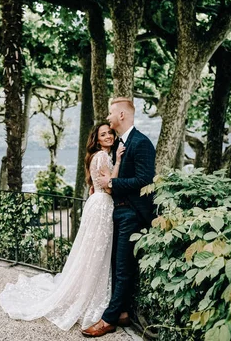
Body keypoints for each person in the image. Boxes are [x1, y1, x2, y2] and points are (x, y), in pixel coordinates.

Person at [0, 122, 125, 331]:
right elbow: (110, 187)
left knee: (91, 252)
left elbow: (96, 184)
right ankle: (90, 297)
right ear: (97, 138)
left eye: (110, 133)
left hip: (96, 204)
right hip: (102, 204)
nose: (108, 137)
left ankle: (86, 290)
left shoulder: (96, 156)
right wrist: (119, 160)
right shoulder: (103, 157)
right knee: (97, 254)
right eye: (103, 134)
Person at [81, 97, 156, 337]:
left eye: (111, 113)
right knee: (114, 265)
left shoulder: (141, 142)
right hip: (116, 212)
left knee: (123, 268)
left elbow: (146, 181)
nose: (109, 117)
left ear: (121, 115)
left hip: (131, 214)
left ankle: (109, 320)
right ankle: (122, 311)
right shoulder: (120, 144)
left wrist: (112, 182)